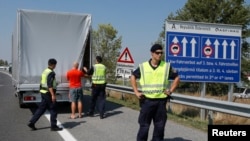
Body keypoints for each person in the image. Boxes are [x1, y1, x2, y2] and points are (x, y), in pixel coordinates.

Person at [130, 44, 180, 141]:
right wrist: (136, 92)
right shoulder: (143, 66)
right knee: (144, 127)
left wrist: (170, 90)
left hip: (161, 102)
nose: (159, 55)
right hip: (147, 101)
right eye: (157, 53)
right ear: (152, 53)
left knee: (159, 127)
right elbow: (133, 76)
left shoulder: (166, 66)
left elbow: (177, 77)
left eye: (161, 53)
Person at [27, 58, 63, 131]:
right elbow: (49, 85)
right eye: (55, 65)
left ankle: (32, 122)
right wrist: (53, 95)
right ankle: (53, 126)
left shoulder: (45, 71)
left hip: (43, 92)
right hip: (48, 93)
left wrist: (55, 84)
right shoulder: (51, 73)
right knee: (53, 109)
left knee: (41, 109)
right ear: (53, 65)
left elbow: (44, 82)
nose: (55, 66)